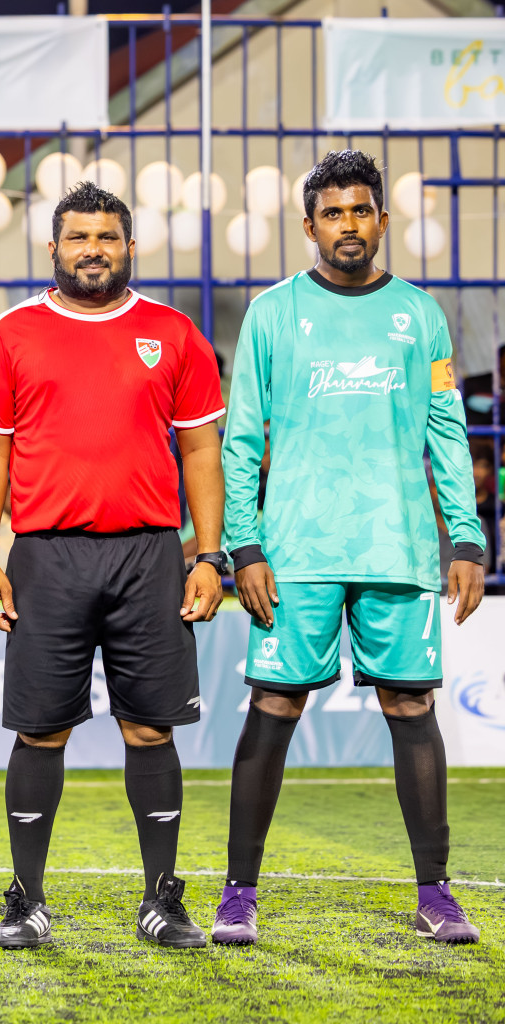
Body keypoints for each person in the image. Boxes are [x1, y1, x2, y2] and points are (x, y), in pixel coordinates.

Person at [214, 150, 487, 946]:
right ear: (310, 226)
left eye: (360, 210)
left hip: (397, 545)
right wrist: (243, 544)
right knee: (274, 705)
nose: (348, 225)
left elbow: (447, 430)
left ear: (382, 220)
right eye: (332, 213)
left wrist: (466, 535)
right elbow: (242, 438)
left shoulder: (419, 315)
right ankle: (238, 894)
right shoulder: (273, 313)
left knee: (411, 706)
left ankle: (436, 894)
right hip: (295, 551)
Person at [0, 180, 227, 950]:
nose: (93, 250)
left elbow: (201, 450)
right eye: (79, 237)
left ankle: (162, 898)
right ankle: (26, 899)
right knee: (41, 732)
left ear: (130, 246)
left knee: (150, 730)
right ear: (53, 248)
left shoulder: (173, 333)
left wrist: (208, 555)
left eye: (107, 237)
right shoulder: (12, 334)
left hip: (149, 554)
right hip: (47, 557)